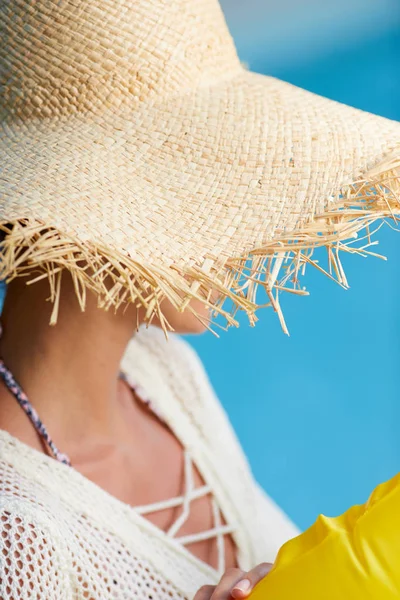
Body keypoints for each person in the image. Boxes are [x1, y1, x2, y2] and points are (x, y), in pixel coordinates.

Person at [0, 0, 398, 599]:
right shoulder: (21, 539)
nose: (246, 225)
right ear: (104, 210)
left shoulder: (162, 377)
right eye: (203, 178)